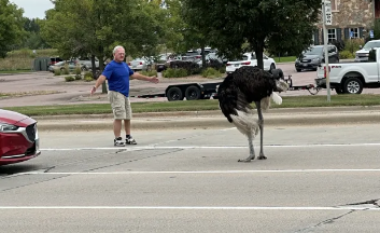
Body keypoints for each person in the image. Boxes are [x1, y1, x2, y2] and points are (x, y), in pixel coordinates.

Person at [91, 45, 159, 147]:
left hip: (125, 94)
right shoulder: (111, 66)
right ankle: (117, 139)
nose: (122, 55)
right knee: (119, 116)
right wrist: (96, 86)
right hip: (116, 93)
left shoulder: (124, 65)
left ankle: (128, 137)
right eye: (120, 53)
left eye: (123, 53)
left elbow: (134, 75)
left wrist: (149, 79)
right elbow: (102, 77)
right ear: (114, 54)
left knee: (127, 117)